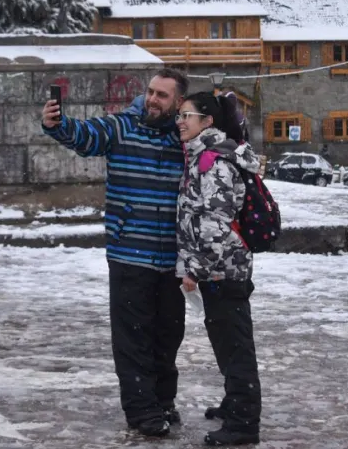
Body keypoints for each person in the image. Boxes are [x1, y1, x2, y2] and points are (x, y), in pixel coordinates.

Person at [41, 69, 188, 437]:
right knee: (133, 338)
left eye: (163, 96)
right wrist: (57, 124)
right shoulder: (123, 126)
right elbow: (87, 136)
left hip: (172, 257)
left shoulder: (184, 138)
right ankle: (141, 411)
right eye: (151, 92)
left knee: (169, 335)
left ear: (178, 103)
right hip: (129, 253)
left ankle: (163, 400)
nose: (154, 99)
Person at [175, 91, 263, 446]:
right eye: (179, 115)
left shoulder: (213, 162)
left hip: (223, 269)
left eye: (187, 116)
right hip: (219, 268)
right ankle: (234, 404)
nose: (180, 121)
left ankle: (244, 424)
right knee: (226, 343)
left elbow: (215, 224)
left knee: (236, 346)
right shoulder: (202, 156)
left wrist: (193, 270)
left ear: (207, 122)